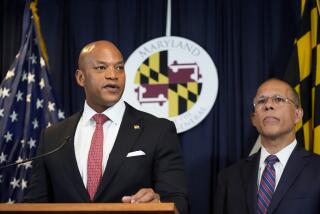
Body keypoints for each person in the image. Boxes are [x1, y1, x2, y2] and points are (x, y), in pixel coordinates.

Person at [24, 40, 189, 214]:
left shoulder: (158, 131)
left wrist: (158, 203)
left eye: (119, 68)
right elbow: (34, 204)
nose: (113, 75)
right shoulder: (52, 137)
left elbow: (179, 202)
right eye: (101, 68)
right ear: (81, 78)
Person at [214, 78, 320, 214]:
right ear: (253, 119)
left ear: (298, 115)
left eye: (279, 99)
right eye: (261, 101)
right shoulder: (229, 178)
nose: (268, 105)